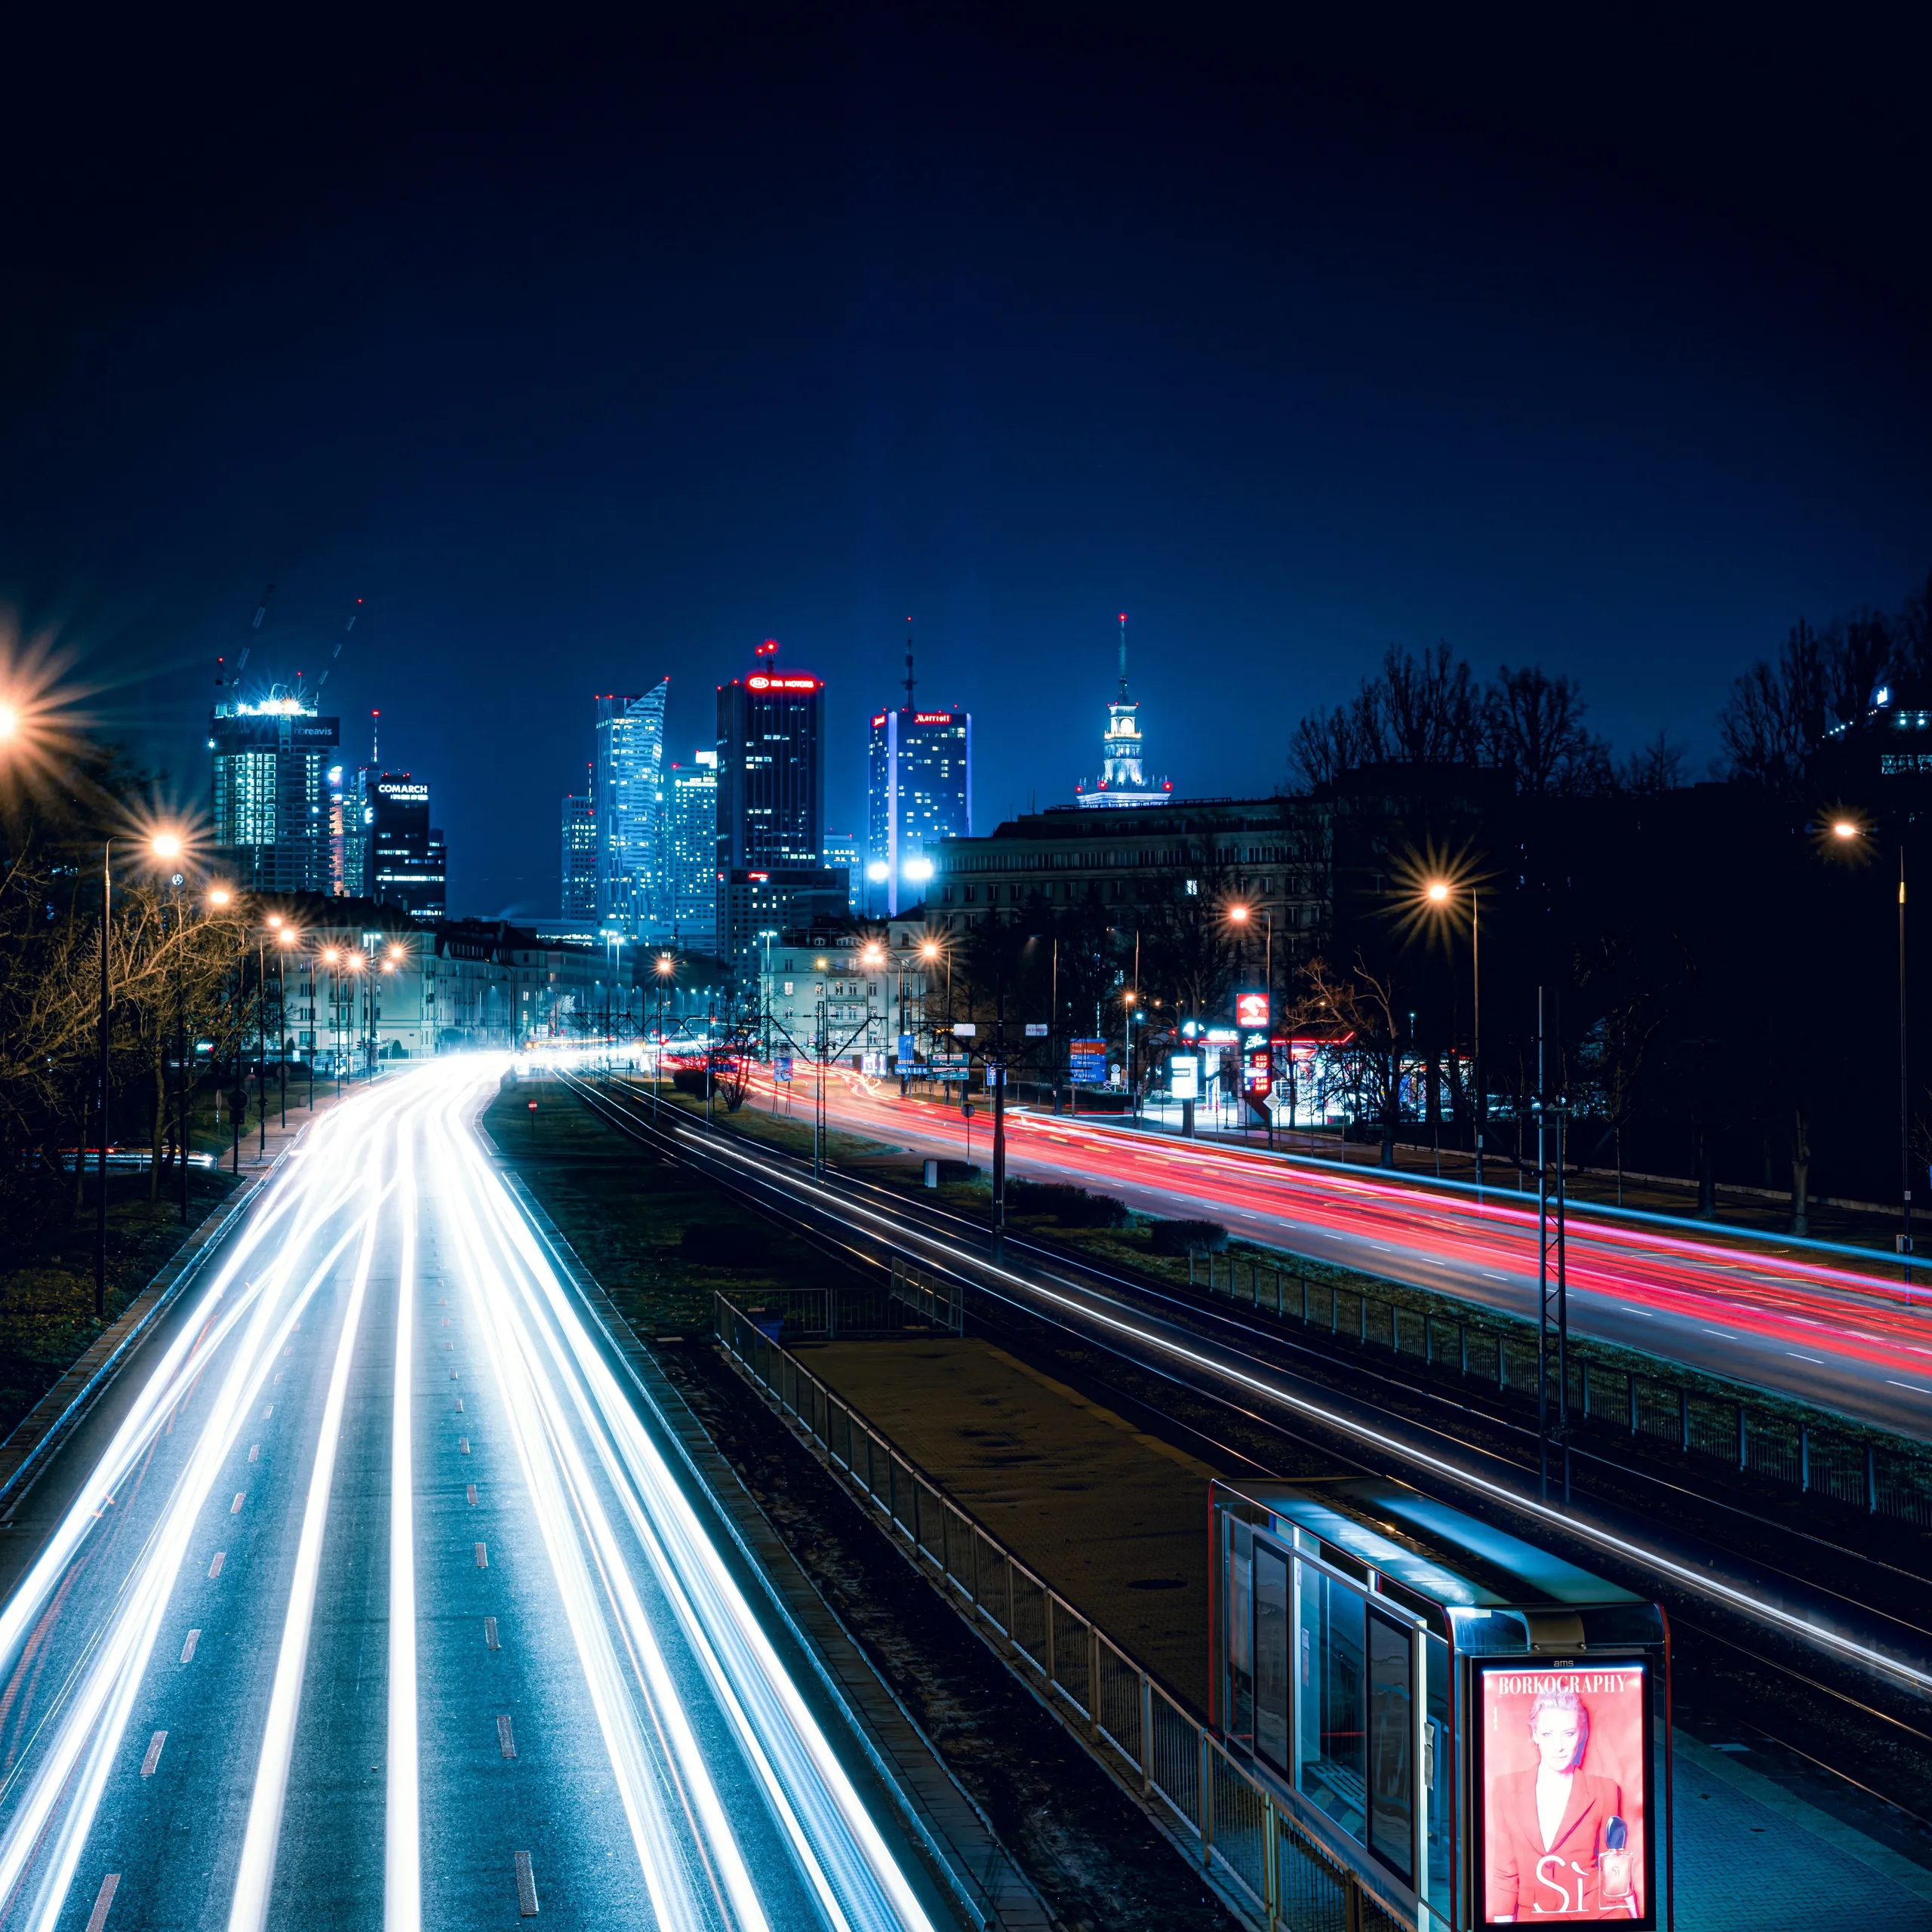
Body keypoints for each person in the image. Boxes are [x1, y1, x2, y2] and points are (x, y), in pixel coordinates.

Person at [1487, 1687, 1637, 1921]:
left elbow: (1614, 1866)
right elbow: (1505, 1872)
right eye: (1548, 1734)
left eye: (1568, 1733)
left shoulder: (1604, 1790)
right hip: (1535, 1917)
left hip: (1597, 1915)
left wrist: (1635, 1921)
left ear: (1581, 1735)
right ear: (1535, 1735)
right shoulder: (1506, 1789)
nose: (1558, 1746)